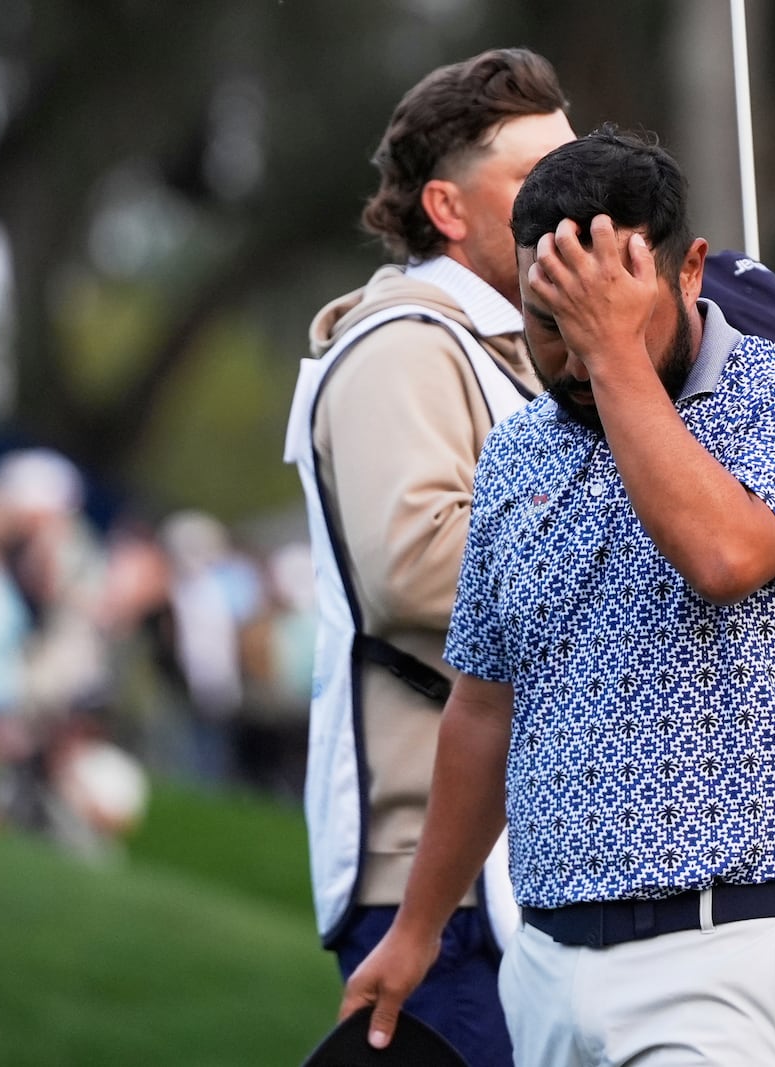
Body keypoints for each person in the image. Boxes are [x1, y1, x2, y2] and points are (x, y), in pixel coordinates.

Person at [342, 126, 775, 1066]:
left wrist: (612, 349)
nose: (577, 362)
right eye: (551, 323)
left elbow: (721, 556)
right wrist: (418, 928)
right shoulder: (518, 449)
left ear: (690, 270)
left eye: (608, 313)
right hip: (548, 963)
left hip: (731, 952)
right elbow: (482, 707)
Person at [283, 48, 572, 1067]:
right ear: (448, 208)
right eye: (540, 180)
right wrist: (629, 556)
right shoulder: (407, 342)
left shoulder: (520, 349)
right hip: (436, 881)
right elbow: (416, 569)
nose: (573, 202)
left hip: (518, 862)